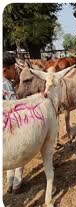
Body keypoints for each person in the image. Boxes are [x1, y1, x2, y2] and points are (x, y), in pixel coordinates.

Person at [3, 52, 24, 193]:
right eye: (13, 68)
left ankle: (9, 182)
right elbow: (14, 106)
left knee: (7, 152)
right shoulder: (6, 85)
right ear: (5, 69)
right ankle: (17, 184)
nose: (15, 71)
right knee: (20, 151)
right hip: (10, 124)